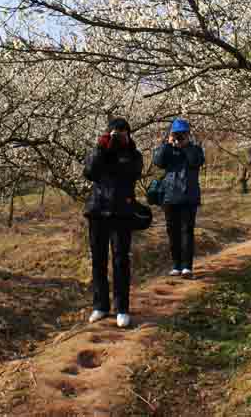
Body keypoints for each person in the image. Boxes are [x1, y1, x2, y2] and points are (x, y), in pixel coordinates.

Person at [83, 117, 143, 328]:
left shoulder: (133, 155)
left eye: (123, 133)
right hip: (97, 211)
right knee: (98, 260)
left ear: (129, 134)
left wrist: (123, 148)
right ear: (108, 134)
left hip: (121, 213)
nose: (119, 138)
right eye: (115, 134)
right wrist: (102, 147)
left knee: (121, 260)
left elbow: (132, 172)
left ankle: (122, 308)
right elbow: (89, 172)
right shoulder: (100, 152)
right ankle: (100, 305)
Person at [153, 118, 205, 278]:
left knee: (187, 231)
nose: (179, 137)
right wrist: (168, 143)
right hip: (169, 196)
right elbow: (158, 162)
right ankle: (176, 265)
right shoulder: (168, 149)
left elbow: (195, 161)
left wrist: (186, 146)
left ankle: (187, 267)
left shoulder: (195, 149)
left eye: (183, 134)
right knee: (172, 231)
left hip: (188, 196)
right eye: (177, 134)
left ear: (188, 134)